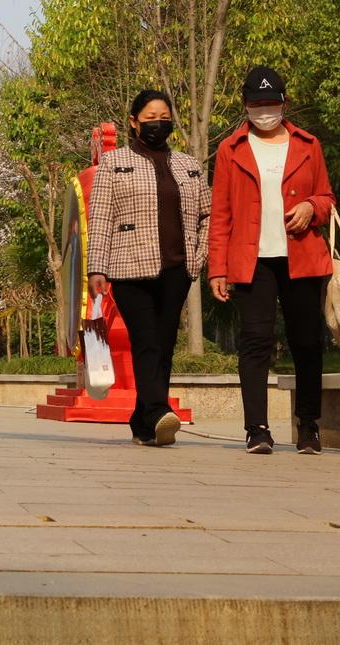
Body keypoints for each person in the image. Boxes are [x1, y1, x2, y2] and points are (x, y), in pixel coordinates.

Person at [208, 65, 336, 456]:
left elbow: (328, 199)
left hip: (301, 257)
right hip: (252, 260)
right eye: (257, 103)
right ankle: (257, 429)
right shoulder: (231, 150)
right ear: (245, 105)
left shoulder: (308, 144)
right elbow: (221, 213)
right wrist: (218, 268)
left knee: (307, 343)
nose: (264, 110)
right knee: (255, 342)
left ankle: (309, 426)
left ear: (285, 103)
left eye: (271, 103)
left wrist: (310, 208)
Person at [87, 89, 210, 447]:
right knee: (147, 341)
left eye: (164, 117)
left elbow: (207, 215)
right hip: (128, 267)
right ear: (134, 122)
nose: (158, 123)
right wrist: (97, 267)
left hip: (177, 267)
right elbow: (100, 217)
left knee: (165, 342)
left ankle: (142, 421)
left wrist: (198, 260)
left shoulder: (189, 164)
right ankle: (158, 411)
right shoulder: (114, 162)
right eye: (150, 118)